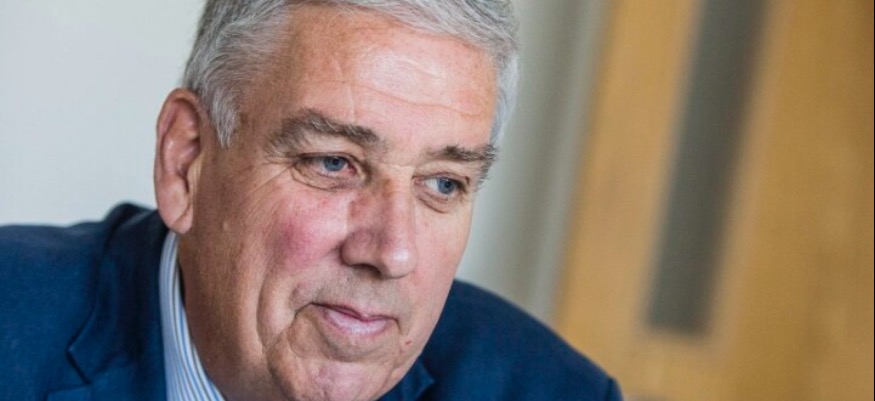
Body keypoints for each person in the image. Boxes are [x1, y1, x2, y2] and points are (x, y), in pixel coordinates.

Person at [0, 1, 621, 400]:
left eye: (442, 183)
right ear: (186, 161)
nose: (393, 252)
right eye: (334, 163)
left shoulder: (552, 392)